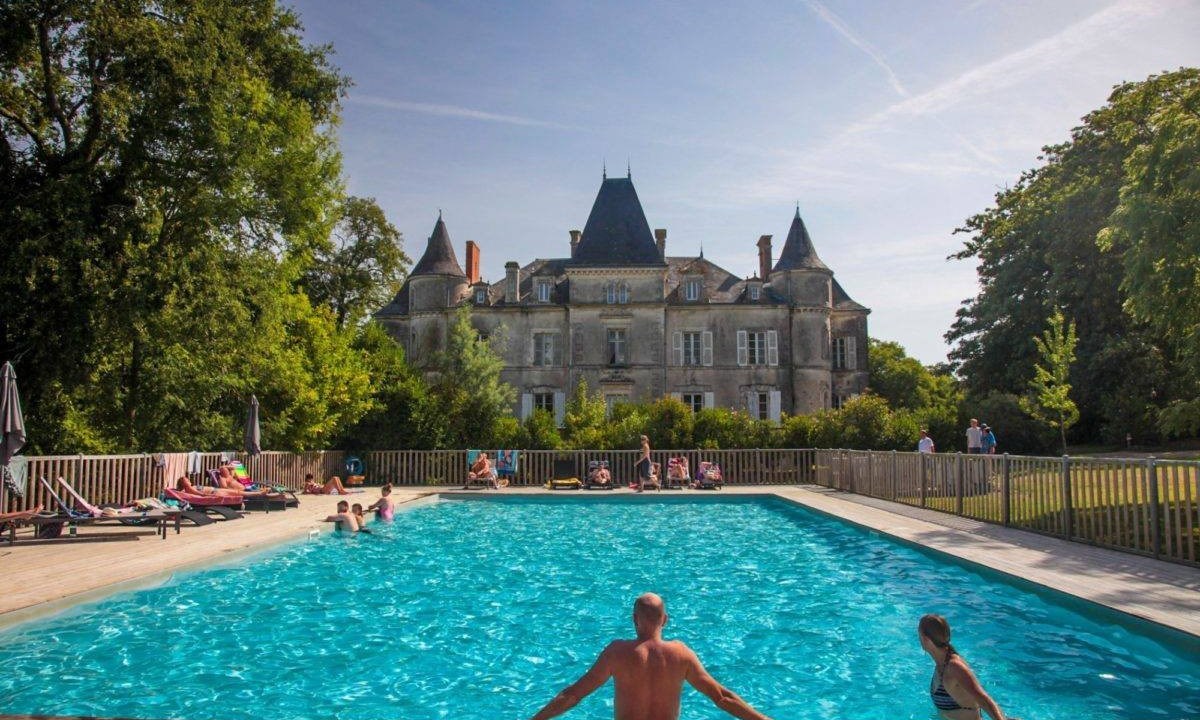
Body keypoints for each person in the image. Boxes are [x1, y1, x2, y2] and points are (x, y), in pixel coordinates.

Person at [528, 593, 772, 720]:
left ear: (634, 620)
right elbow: (721, 697)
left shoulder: (617, 653)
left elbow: (573, 695)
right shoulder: (681, 654)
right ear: (665, 620)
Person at [918, 614, 1015, 720]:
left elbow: (983, 699)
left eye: (919, 635)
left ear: (926, 639)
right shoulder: (941, 663)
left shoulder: (954, 667)